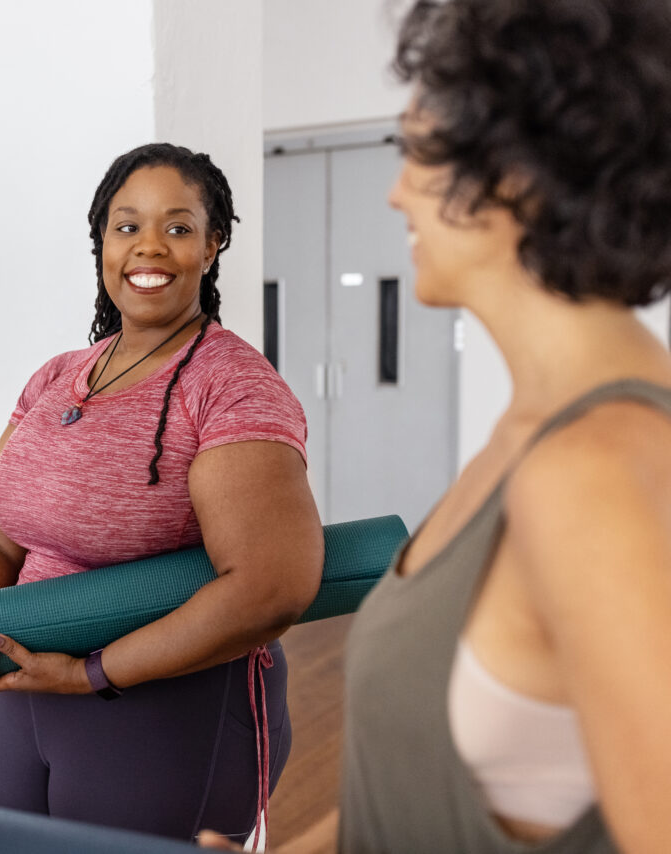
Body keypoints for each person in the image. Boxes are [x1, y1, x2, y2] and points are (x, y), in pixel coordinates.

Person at [333, 2, 671, 852]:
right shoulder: (531, 431)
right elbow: (412, 790)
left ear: (513, 175)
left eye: (415, 149)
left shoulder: (591, 471)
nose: (396, 189)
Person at [0, 143, 324, 844]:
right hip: (25, 697)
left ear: (212, 244)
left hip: (166, 708)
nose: (150, 248)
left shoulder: (229, 384)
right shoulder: (56, 377)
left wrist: (88, 674)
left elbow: (270, 587)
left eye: (179, 226)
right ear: (101, 241)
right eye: (127, 226)